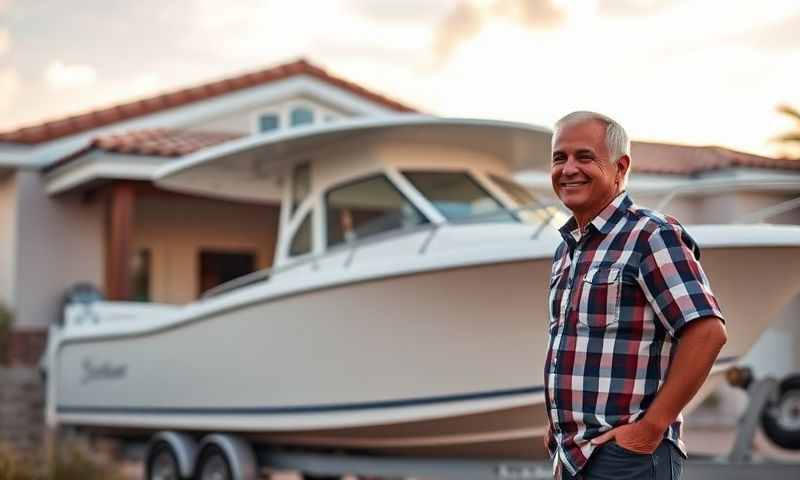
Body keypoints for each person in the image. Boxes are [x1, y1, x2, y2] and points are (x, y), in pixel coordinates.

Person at [544, 111, 728, 480]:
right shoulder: (567, 251)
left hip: (629, 459)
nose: (568, 169)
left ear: (620, 167)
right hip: (575, 456)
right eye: (559, 158)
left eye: (584, 157)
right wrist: (560, 426)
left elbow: (706, 332)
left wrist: (649, 430)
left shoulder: (650, 235)